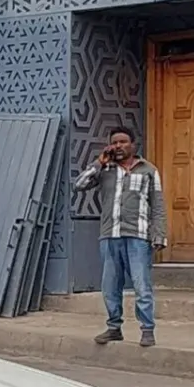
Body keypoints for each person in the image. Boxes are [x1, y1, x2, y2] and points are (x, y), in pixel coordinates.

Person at [75, 126, 167, 348]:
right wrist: (99, 163)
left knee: (141, 284)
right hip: (110, 235)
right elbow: (79, 185)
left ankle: (147, 329)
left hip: (137, 236)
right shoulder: (105, 170)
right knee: (110, 285)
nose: (118, 146)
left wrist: (159, 235)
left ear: (133, 145)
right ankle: (114, 327)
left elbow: (158, 206)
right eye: (114, 142)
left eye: (123, 141)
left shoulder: (148, 170)